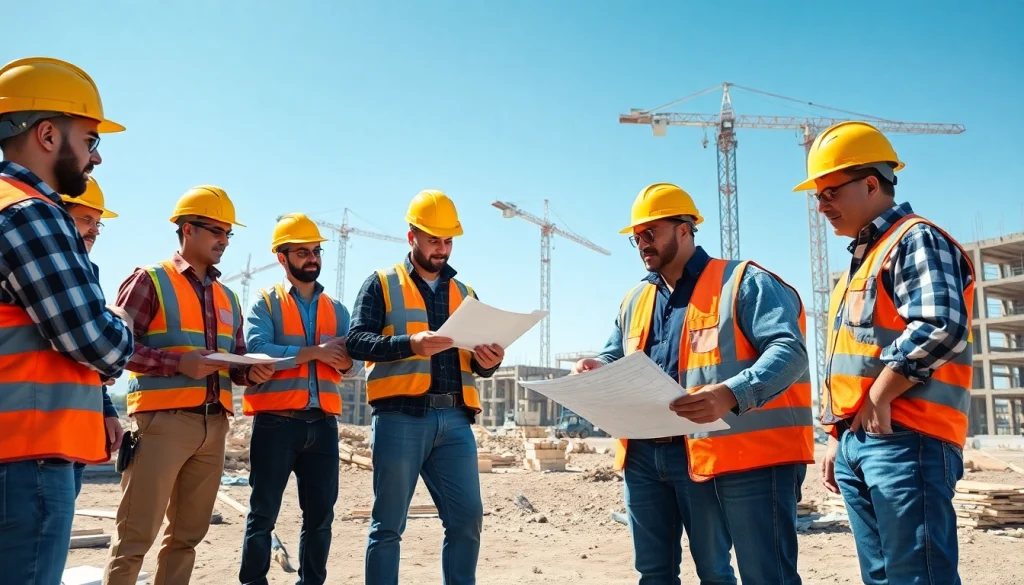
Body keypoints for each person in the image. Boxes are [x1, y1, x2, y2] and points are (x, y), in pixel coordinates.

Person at [572, 183, 813, 585]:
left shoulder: (743, 282)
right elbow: (617, 355)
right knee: (654, 574)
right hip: (646, 457)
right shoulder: (635, 299)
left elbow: (790, 350)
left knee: (723, 571)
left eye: (651, 233)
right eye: (636, 237)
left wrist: (732, 393)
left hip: (715, 453)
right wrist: (598, 367)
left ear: (685, 229)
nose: (642, 243)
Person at [806, 121, 974, 585]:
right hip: (862, 441)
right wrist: (837, 436)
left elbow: (941, 324)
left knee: (916, 576)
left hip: (909, 438)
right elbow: (847, 363)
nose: (822, 207)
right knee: (882, 577)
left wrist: (880, 395)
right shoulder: (857, 267)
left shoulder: (914, 239)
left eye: (830, 192)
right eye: (817, 197)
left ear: (872, 183)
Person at [0, 56, 135, 585]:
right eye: (91, 139)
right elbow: (98, 342)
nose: (96, 157)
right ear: (49, 134)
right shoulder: (28, 211)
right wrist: (119, 318)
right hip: (26, 457)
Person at [103, 186, 275, 585]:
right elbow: (116, 347)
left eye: (228, 233)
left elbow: (236, 361)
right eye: (215, 230)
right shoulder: (149, 280)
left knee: (186, 539)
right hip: (162, 424)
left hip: (214, 427)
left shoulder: (227, 296)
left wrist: (253, 371)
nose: (223, 240)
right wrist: (179, 363)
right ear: (186, 229)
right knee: (134, 538)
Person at [346, 190, 504, 585]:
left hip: (455, 421)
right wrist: (410, 344)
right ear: (411, 236)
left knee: (468, 520)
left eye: (448, 240)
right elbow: (356, 342)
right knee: (388, 526)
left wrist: (491, 362)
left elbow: (476, 364)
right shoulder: (380, 284)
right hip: (401, 416)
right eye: (434, 239)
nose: (442, 249)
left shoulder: (466, 294)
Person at [239, 213, 354, 585]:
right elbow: (259, 350)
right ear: (281, 257)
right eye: (302, 251)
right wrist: (316, 351)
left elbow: (351, 363)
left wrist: (345, 359)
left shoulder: (337, 310)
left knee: (320, 517)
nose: (312, 258)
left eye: (316, 251)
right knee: (263, 514)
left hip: (323, 424)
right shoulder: (265, 303)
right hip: (276, 422)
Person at [60, 176, 126, 497]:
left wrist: (108, 411)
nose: (94, 230)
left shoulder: (91, 272)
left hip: (79, 423)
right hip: (44, 428)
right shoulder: (44, 269)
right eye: (86, 219)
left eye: (98, 223)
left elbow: (91, 354)